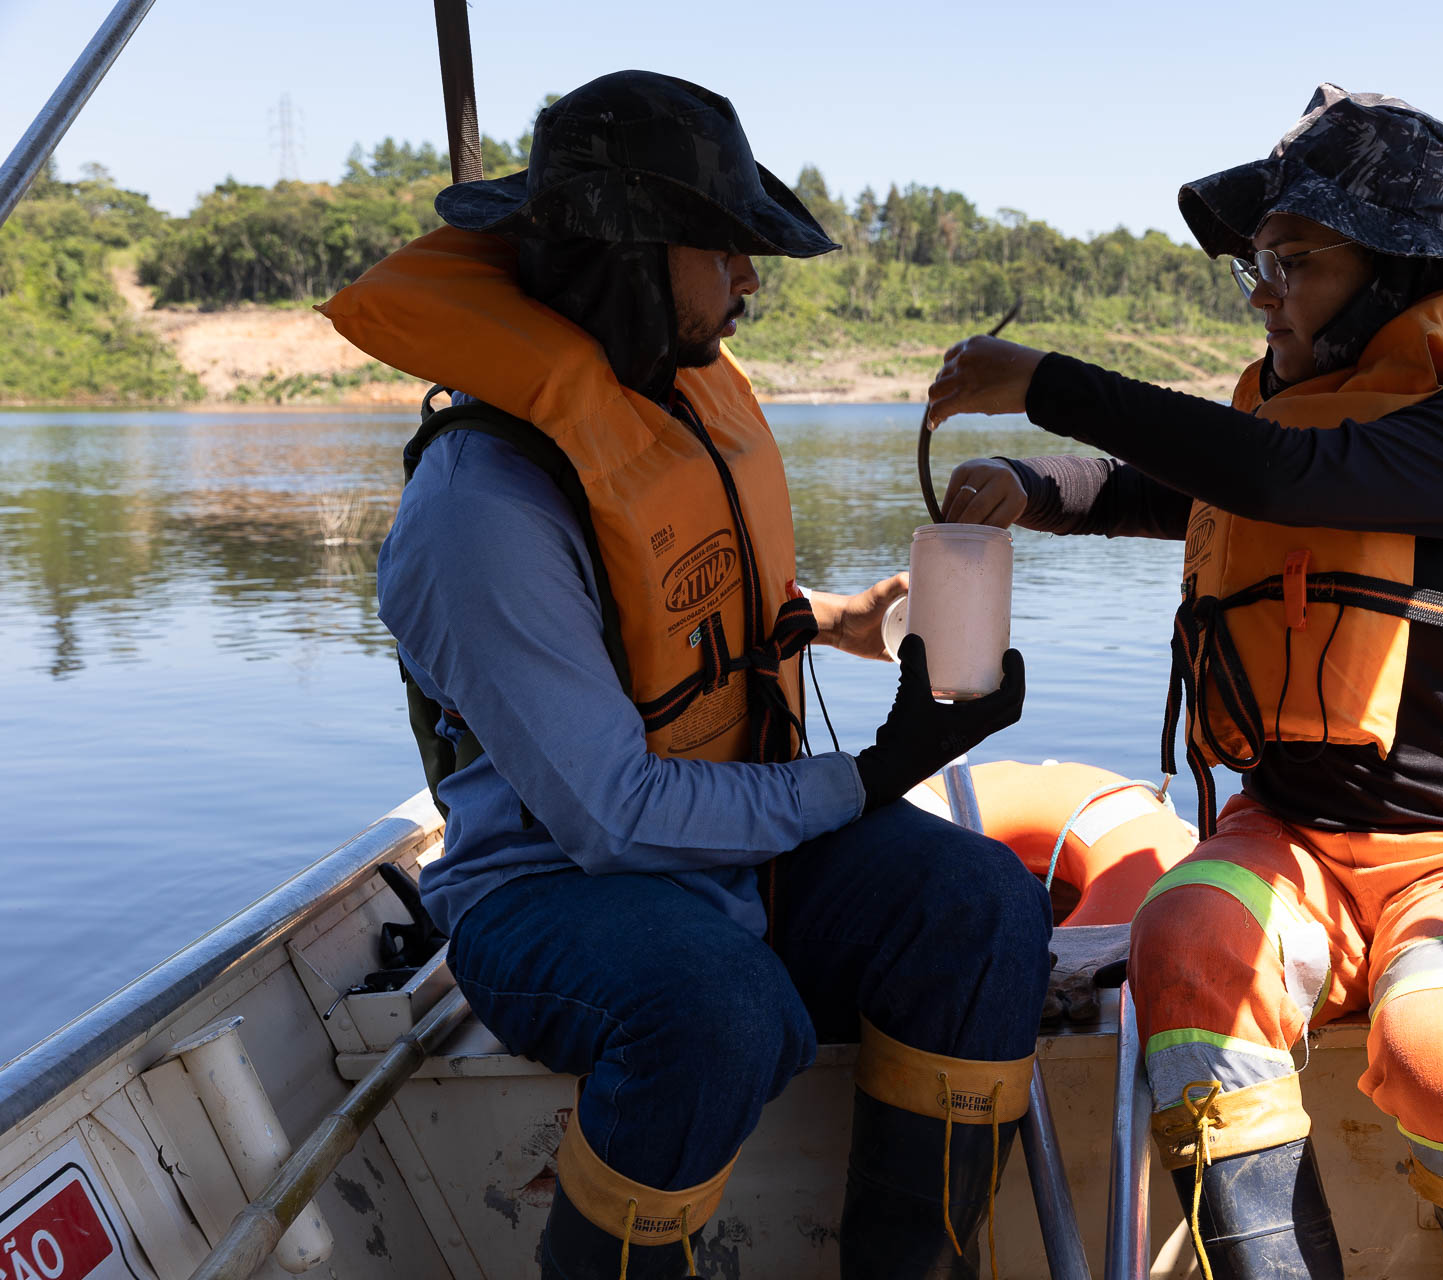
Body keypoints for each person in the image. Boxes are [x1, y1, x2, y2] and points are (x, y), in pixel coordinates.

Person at [321, 71, 1051, 1280]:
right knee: (717, 1010)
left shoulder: (671, 399)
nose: (751, 281)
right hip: (555, 891)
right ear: (631, 258)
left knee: (980, 909)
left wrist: (842, 621)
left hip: (733, 848)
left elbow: (685, 629)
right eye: (726, 250)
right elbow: (615, 815)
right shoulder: (479, 513)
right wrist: (874, 772)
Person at [925, 85, 1443, 1280]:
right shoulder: (1299, 410)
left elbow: (1285, 478)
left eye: (1292, 261)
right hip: (1297, 831)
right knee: (1186, 940)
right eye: (1255, 263)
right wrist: (1035, 481)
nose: (1263, 293)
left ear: (1394, 276)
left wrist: (1047, 378)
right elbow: (1200, 489)